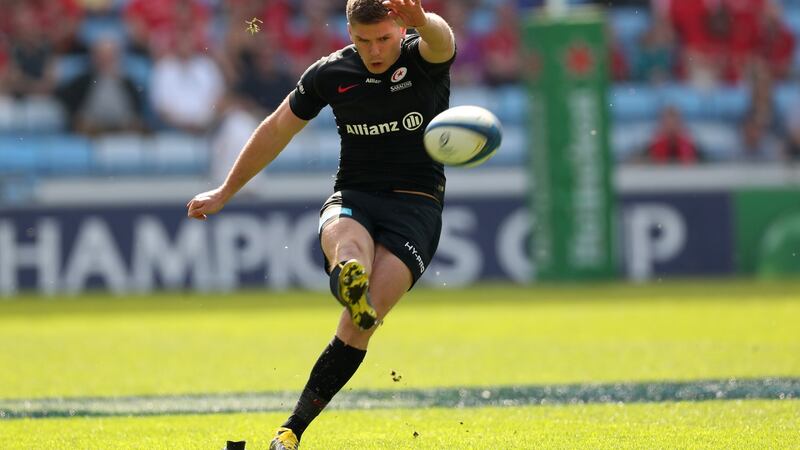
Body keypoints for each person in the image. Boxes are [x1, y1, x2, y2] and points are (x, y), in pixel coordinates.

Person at [185, 1, 456, 449]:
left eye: (384, 38)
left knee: (359, 324)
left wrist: (424, 21)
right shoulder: (330, 73)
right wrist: (225, 190)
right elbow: (275, 129)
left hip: (417, 207)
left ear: (400, 28)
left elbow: (443, 40)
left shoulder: (421, 56)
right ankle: (289, 434)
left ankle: (295, 422)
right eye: (363, 40)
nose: (374, 51)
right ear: (349, 31)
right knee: (349, 249)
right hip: (355, 195)